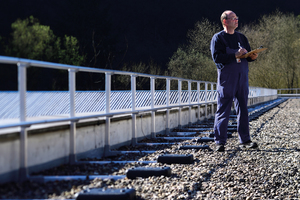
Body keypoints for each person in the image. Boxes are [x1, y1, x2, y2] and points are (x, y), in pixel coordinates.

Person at [210, 10, 258, 152]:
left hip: (242, 77)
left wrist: (252, 57)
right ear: (225, 21)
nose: (236, 20)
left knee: (243, 108)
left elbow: (247, 55)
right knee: (223, 108)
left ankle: (245, 140)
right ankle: (220, 142)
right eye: (233, 18)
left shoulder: (242, 37)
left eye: (237, 18)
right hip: (227, 78)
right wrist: (234, 55)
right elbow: (217, 58)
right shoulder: (218, 38)